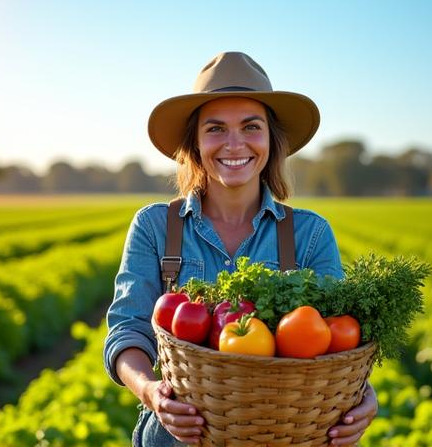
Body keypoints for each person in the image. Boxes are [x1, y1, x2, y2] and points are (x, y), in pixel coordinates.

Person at [103, 51, 378, 446]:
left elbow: (341, 343)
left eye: (251, 126)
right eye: (215, 129)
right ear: (195, 144)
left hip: (284, 435)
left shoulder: (310, 234)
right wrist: (151, 392)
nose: (234, 144)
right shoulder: (155, 227)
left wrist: (362, 396)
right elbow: (127, 331)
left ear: (271, 140)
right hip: (177, 437)